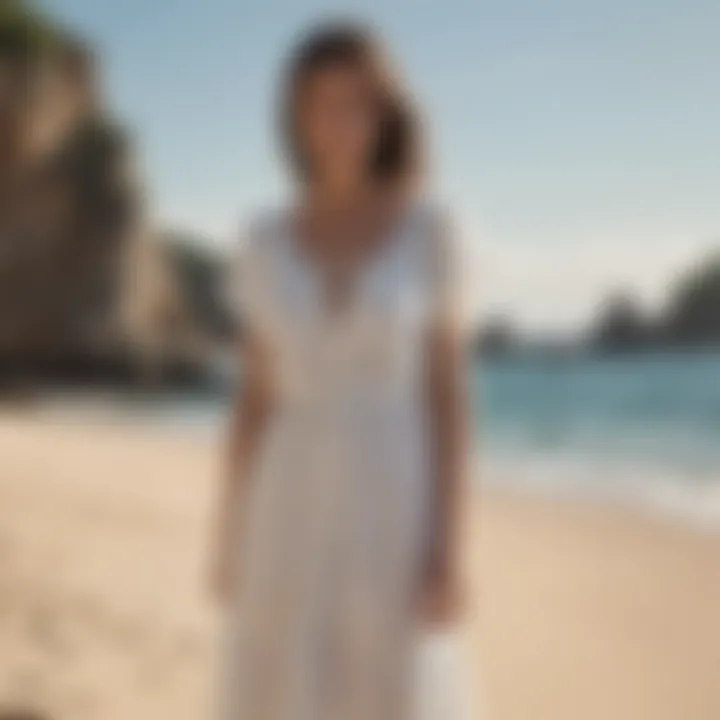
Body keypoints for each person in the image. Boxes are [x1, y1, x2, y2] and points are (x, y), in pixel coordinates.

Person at [211, 21, 473, 720]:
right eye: (320, 103)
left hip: (394, 498)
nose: (338, 121)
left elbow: (446, 400)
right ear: (295, 119)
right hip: (284, 501)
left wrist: (449, 549)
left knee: (386, 688)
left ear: (384, 112)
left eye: (355, 101)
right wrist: (226, 536)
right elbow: (254, 402)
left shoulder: (429, 231)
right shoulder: (262, 241)